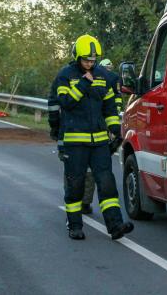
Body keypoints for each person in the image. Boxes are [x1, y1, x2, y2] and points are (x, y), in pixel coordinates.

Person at [55, 34, 133, 240]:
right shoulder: (66, 75)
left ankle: (115, 225)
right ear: (77, 56)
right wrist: (82, 84)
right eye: (86, 60)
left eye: (92, 60)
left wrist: (115, 129)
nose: (90, 64)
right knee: (76, 184)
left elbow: (109, 107)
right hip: (75, 142)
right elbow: (65, 102)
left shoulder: (102, 76)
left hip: (99, 142)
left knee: (106, 182)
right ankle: (74, 226)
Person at [48, 75, 96, 215]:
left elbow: (53, 105)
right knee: (88, 168)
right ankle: (85, 203)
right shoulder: (98, 75)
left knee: (71, 168)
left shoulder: (63, 76)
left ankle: (74, 202)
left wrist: (55, 127)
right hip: (92, 132)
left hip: (68, 130)